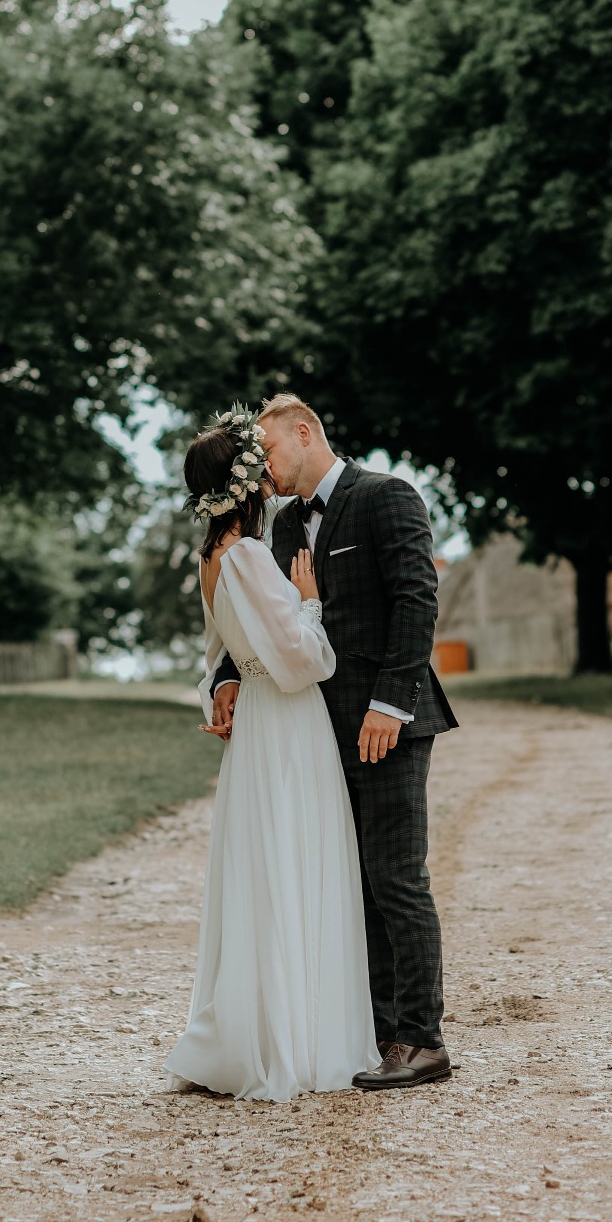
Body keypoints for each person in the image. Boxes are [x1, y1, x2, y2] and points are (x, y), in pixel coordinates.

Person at [210, 394, 457, 1092]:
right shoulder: (284, 525)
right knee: (347, 885)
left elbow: (416, 600)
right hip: (312, 737)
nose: (262, 471)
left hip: (389, 724)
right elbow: (272, 618)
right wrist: (228, 677)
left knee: (395, 880)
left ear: (304, 430)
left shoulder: (386, 496)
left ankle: (421, 1039)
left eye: (268, 454)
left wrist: (390, 703)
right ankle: (374, 1031)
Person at [165, 407, 379, 1101]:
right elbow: (300, 662)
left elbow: (215, 659)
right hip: (287, 724)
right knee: (300, 865)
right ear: (248, 484)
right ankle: (297, 1042)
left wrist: (222, 690)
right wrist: (310, 604)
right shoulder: (251, 555)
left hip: (256, 726)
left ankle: (253, 1029)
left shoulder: (208, 559)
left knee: (264, 874)